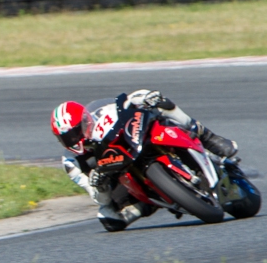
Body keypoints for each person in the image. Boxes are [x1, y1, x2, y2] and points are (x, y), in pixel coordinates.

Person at [50, 89, 238, 232]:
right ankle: (147, 203)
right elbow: (100, 199)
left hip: (136, 142)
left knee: (157, 101)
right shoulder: (71, 162)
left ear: (85, 120)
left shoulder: (100, 113)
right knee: (109, 218)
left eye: (76, 132)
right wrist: (99, 185)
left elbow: (128, 101)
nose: (75, 140)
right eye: (68, 138)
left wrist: (147, 98)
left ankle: (208, 137)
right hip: (121, 176)